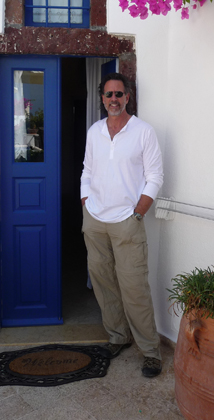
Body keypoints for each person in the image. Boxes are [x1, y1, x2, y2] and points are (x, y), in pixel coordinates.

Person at [81, 72, 164, 377]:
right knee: (103, 282)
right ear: (102, 99)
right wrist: (85, 203)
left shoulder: (143, 132)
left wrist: (138, 213)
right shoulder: (95, 132)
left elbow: (155, 176)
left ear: (128, 97)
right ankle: (118, 336)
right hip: (95, 220)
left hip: (127, 221)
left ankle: (151, 351)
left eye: (119, 94)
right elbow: (87, 170)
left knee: (134, 288)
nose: (113, 99)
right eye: (108, 94)